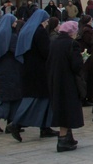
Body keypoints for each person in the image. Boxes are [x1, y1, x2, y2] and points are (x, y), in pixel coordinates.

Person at [7, 9, 59, 141]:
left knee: (41, 99)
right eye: (46, 21)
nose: (47, 23)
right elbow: (46, 51)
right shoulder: (40, 31)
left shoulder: (27, 30)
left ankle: (45, 127)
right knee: (36, 99)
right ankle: (16, 124)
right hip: (39, 70)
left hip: (28, 69)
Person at [46, 20, 84, 152]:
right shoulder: (72, 44)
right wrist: (82, 58)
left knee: (62, 106)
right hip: (68, 81)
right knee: (68, 108)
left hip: (55, 79)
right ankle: (63, 140)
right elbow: (76, 65)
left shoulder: (54, 43)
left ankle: (68, 137)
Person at [0, 14, 22, 133]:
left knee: (8, 96)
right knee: (12, 96)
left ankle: (9, 122)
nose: (16, 24)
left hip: (0, 68)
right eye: (15, 22)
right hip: (11, 68)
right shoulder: (10, 36)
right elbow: (17, 50)